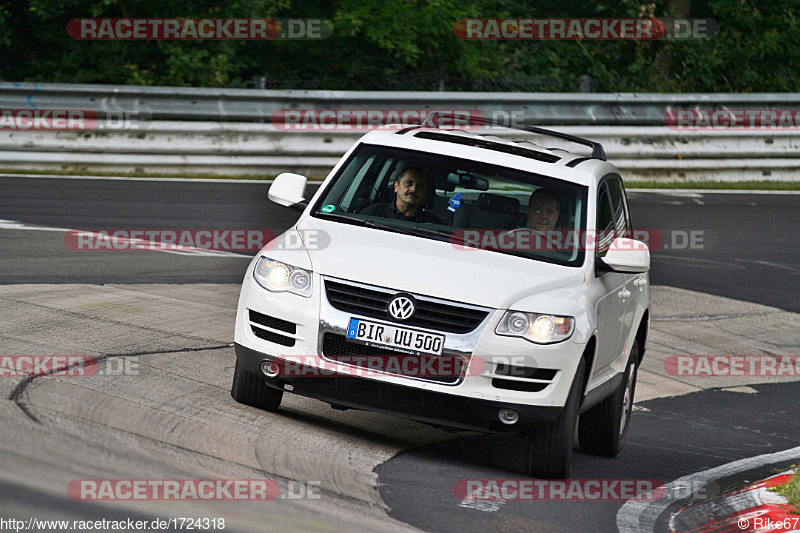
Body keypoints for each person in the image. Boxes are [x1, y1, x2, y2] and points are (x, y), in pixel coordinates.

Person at [360, 167, 441, 223]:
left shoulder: (432, 224)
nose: (413, 189)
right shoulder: (373, 213)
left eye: (420, 186)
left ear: (425, 193)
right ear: (396, 186)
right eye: (409, 183)